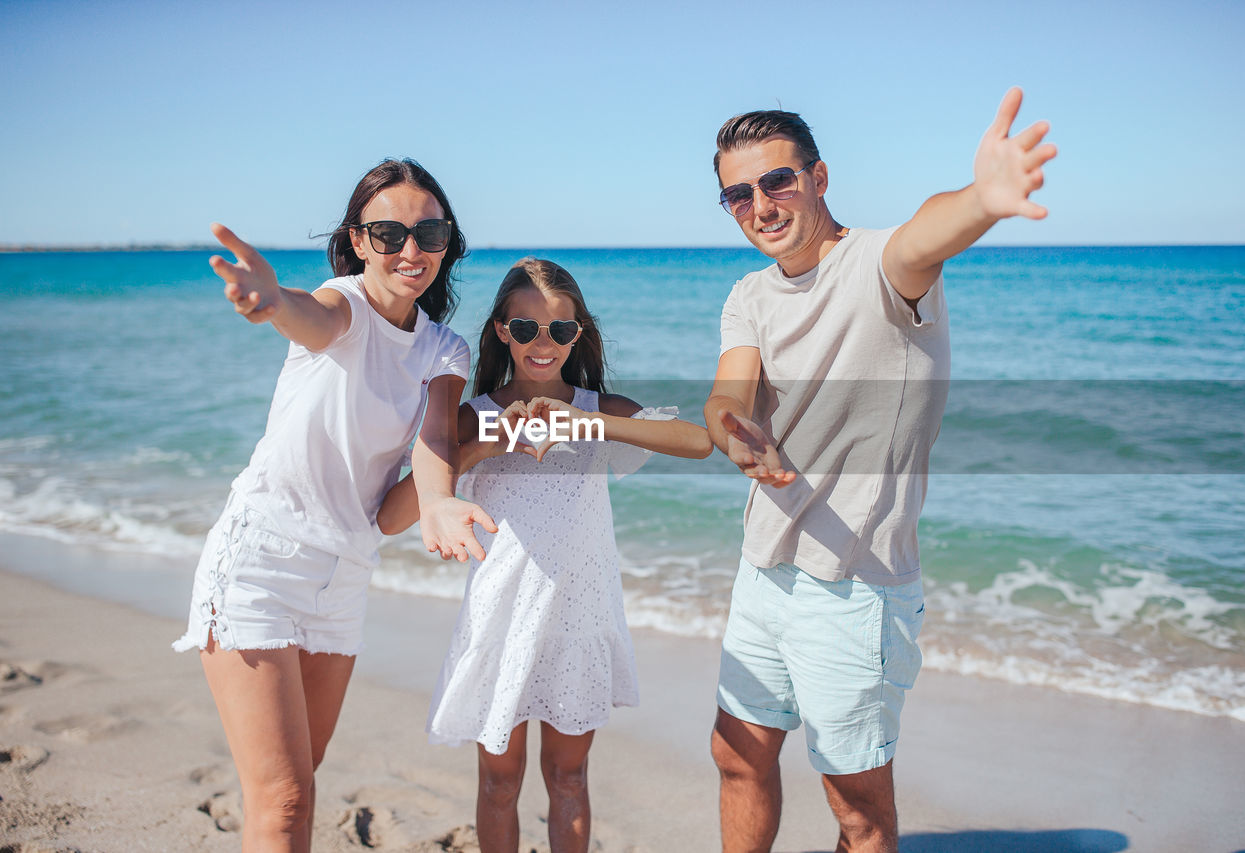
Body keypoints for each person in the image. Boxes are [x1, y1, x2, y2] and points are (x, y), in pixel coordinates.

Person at [703, 88, 1056, 852]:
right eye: (738, 193)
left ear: (819, 178)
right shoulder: (751, 295)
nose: (759, 204)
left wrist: (983, 201)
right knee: (737, 754)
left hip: (856, 589)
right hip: (764, 569)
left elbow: (922, 237)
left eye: (777, 181)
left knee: (857, 814)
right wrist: (730, 427)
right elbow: (730, 391)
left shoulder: (879, 268)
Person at [172, 158, 497, 852]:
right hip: (262, 561)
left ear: (448, 243)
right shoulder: (343, 306)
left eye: (430, 233)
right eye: (389, 233)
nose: (411, 251)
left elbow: (420, 464)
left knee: (294, 784)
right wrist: (271, 300)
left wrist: (445, 492)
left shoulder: (444, 347)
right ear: (357, 240)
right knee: (286, 800)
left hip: (345, 575)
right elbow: (307, 315)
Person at [378, 257, 712, 853]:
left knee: (569, 777)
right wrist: (489, 444)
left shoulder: (596, 408)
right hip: (500, 620)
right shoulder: (469, 416)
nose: (542, 343)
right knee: (499, 783)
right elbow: (395, 513)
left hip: (578, 620)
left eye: (559, 330)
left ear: (576, 335)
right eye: (526, 328)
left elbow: (696, 441)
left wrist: (585, 424)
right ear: (502, 330)